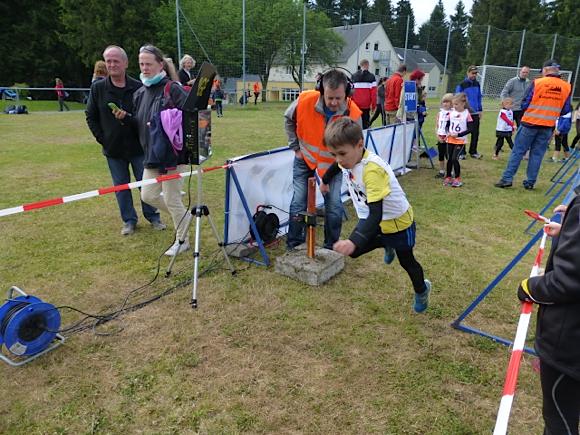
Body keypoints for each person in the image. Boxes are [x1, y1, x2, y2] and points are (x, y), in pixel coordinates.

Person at [322, 117, 431, 313]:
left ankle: (422, 289)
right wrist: (325, 180)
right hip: (373, 221)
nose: (338, 159)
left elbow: (375, 215)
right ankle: (385, 243)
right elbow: (335, 167)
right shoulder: (348, 159)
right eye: (334, 154)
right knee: (354, 252)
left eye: (341, 154)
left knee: (407, 262)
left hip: (397, 223)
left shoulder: (372, 171)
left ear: (359, 145)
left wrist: (353, 240)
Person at [113, 44, 191, 256]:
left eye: (148, 64)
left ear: (160, 65)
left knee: (173, 199)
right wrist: (126, 118)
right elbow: (139, 122)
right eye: (141, 64)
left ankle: (182, 241)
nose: (145, 68)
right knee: (148, 195)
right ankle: (184, 216)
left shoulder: (172, 88)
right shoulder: (140, 92)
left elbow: (191, 115)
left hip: (171, 156)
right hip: (151, 156)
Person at [86, 45, 165, 236]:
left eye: (116, 61)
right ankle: (129, 221)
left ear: (125, 63)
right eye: (108, 61)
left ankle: (153, 217)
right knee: (121, 186)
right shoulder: (98, 88)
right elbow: (90, 116)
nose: (112, 65)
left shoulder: (139, 86)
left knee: (145, 185)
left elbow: (144, 116)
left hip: (138, 147)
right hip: (113, 149)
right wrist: (103, 139)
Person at [516, 197, 580, 434]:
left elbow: (567, 282)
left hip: (570, 347)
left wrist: (528, 288)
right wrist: (568, 232)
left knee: (559, 421)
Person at [284, 69, 362, 250]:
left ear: (347, 94)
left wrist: (340, 166)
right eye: (330, 98)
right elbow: (288, 119)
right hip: (304, 159)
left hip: (334, 166)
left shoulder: (354, 113)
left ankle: (331, 247)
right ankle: (294, 243)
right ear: (321, 91)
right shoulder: (305, 100)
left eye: (338, 98)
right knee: (298, 201)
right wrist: (295, 147)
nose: (334, 103)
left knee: (334, 204)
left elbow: (356, 147)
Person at [495, 59, 572, 190]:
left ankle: (507, 179)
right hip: (547, 126)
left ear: (546, 70)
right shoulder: (567, 87)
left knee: (518, 152)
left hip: (529, 124)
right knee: (537, 154)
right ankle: (530, 182)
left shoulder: (537, 83)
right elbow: (565, 109)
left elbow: (525, 103)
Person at [444, 93, 473, 188]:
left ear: (463, 104)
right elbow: (447, 124)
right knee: (449, 159)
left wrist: (459, 134)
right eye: (453, 104)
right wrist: (448, 132)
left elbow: (470, 129)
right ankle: (448, 177)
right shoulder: (451, 113)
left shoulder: (467, 114)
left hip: (460, 140)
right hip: (450, 139)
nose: (454, 106)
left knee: (454, 158)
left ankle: (457, 178)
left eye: (456, 104)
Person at [455, 65, 483, 159]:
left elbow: (479, 97)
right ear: (468, 73)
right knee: (463, 132)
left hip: (475, 113)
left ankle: (473, 151)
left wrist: (480, 110)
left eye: (476, 73)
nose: (474, 75)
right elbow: (458, 97)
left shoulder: (477, 84)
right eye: (472, 73)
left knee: (475, 133)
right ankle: (462, 152)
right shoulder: (462, 84)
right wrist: (460, 110)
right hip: (465, 113)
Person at [351, 59, 377, 129]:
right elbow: (374, 94)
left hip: (355, 105)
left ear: (360, 65)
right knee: (365, 125)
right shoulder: (372, 77)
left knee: (354, 124)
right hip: (366, 106)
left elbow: (350, 91)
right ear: (367, 65)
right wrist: (373, 106)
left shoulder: (353, 76)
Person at [435, 93, 453, 178]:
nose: (445, 104)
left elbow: (452, 127)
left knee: (448, 155)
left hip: (449, 138)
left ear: (452, 103)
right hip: (440, 137)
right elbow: (437, 126)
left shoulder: (453, 114)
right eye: (444, 102)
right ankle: (441, 171)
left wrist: (447, 136)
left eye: (448, 102)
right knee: (441, 154)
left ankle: (450, 171)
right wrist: (438, 136)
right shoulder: (440, 113)